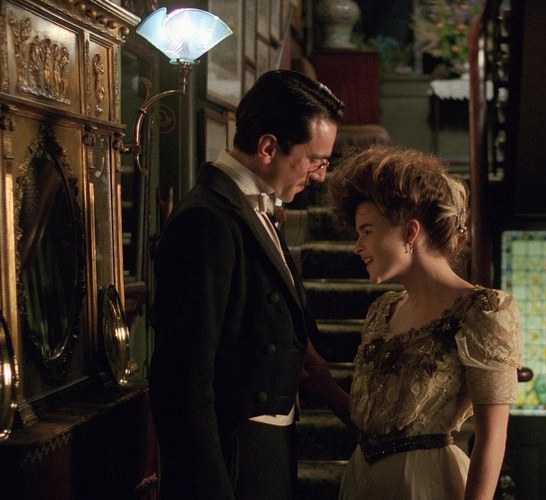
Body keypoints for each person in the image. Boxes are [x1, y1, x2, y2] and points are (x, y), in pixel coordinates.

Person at [148, 70, 344, 500]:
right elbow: (183, 380)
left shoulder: (254, 205)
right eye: (316, 160)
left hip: (268, 448)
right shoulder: (206, 221)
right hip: (231, 457)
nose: (320, 176)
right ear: (268, 148)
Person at [307, 144, 524, 499]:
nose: (357, 246)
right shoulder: (383, 311)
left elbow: (492, 438)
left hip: (426, 486)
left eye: (366, 231)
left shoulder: (483, 311)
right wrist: (324, 384)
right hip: (362, 483)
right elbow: (376, 427)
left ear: (410, 232)